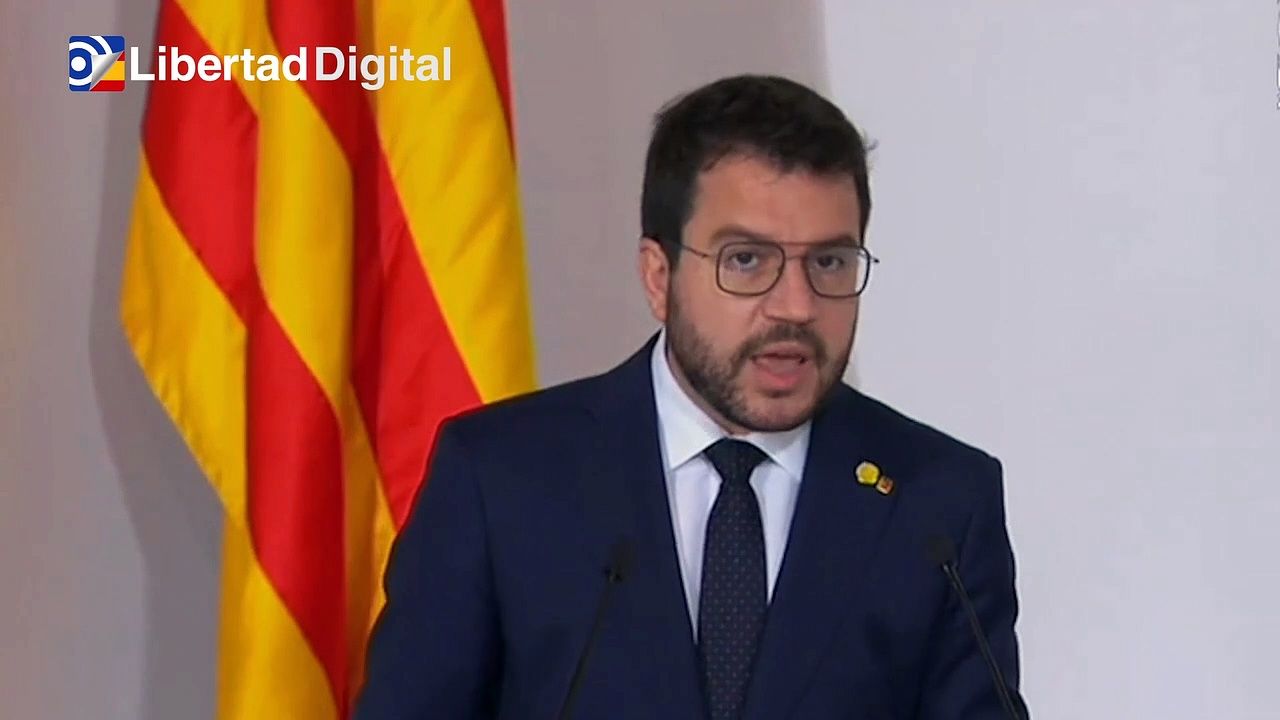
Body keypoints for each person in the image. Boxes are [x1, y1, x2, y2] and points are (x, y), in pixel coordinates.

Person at [354, 74, 1027, 720]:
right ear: (659, 277)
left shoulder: (938, 503)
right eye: (746, 261)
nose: (796, 306)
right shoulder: (501, 479)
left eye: (829, 262)